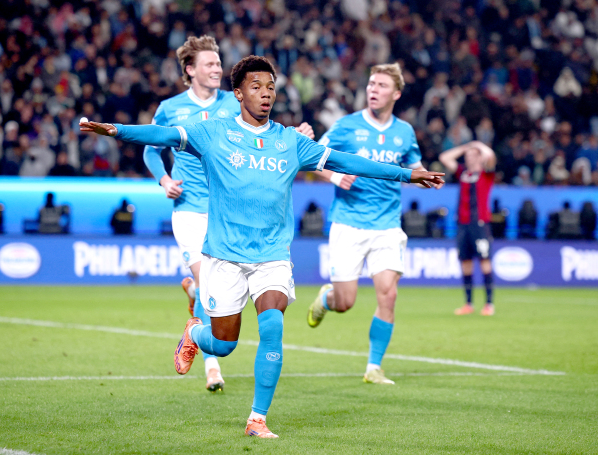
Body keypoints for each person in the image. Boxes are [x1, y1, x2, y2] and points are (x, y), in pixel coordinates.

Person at [80, 55, 444, 439]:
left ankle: (257, 418)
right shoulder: (214, 133)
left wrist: (407, 175)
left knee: (273, 326)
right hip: (225, 255)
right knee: (223, 344)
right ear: (238, 94)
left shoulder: (290, 141)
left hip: (272, 256)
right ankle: (195, 333)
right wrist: (117, 131)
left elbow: (347, 161)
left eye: (270, 87)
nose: (266, 94)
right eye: (256, 87)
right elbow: (164, 136)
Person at [142, 36, 315, 393]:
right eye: (209, 63)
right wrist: (164, 179)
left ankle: (198, 317)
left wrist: (295, 137)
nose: (217, 69)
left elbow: (265, 139)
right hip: (191, 209)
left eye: (219, 63)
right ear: (190, 70)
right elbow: (151, 149)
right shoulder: (171, 107)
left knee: (208, 290)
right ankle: (212, 367)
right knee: (206, 282)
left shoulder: (235, 101)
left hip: (229, 211)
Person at [307, 63, 443, 386]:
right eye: (371, 84)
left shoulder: (404, 132)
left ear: (396, 94)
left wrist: (427, 178)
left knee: (388, 295)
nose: (373, 90)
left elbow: (414, 168)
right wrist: (335, 176)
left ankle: (373, 367)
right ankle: (327, 299)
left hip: (387, 225)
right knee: (346, 302)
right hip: (349, 223)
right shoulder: (346, 126)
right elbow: (311, 157)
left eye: (381, 85)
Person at [439, 141, 496, 316]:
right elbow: (444, 157)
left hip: (480, 224)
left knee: (484, 261)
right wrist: (464, 147)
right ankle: (468, 304)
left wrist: (478, 145)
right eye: (467, 156)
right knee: (466, 263)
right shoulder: (463, 173)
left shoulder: (486, 173)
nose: (468, 158)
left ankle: (489, 304)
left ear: (480, 157)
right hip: (463, 225)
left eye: (472, 155)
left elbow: (491, 157)